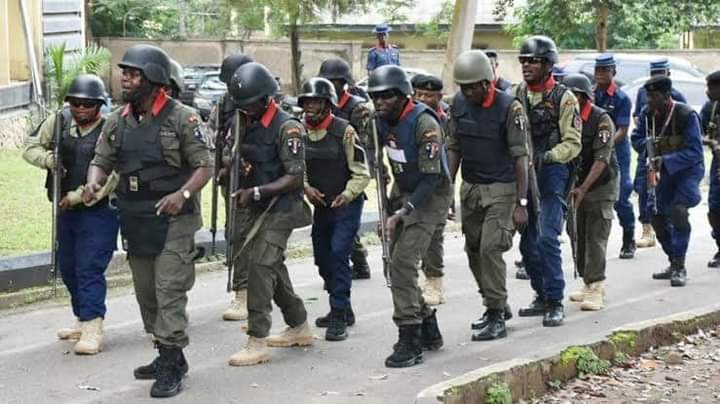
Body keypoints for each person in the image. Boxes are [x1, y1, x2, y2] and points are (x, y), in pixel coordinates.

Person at [84, 44, 212, 398]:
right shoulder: (118, 120)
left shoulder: (183, 118)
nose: (125, 78)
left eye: (133, 73)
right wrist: (96, 179)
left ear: (154, 79)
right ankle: (168, 353)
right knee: (146, 295)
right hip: (136, 218)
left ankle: (172, 364)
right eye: (124, 72)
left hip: (175, 218)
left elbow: (205, 166)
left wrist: (182, 195)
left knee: (168, 290)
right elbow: (102, 157)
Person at [224, 62, 314, 366]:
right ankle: (299, 323)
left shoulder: (288, 127)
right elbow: (234, 155)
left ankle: (257, 339)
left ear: (265, 99)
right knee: (272, 267)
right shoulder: (241, 120)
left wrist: (258, 192)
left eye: (249, 105)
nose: (244, 110)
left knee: (261, 266)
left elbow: (295, 176)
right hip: (255, 206)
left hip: (283, 207)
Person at [22, 74, 119, 355]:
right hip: (64, 210)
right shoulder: (60, 121)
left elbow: (113, 173)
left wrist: (78, 196)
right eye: (75, 103)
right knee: (68, 267)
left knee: (89, 267)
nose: (80, 109)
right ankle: (81, 317)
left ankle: (93, 326)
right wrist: (50, 160)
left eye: (87, 104)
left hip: (98, 210)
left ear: (99, 105)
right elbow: (29, 148)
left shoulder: (110, 127)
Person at [367, 65, 451, 367]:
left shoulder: (424, 123)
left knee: (403, 262)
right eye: (375, 97)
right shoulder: (378, 122)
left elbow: (431, 179)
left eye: (387, 97)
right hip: (402, 190)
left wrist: (403, 213)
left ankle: (410, 338)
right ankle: (427, 323)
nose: (380, 103)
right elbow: (375, 157)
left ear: (403, 96)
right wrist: (388, 207)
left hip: (430, 195)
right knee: (392, 263)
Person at [449, 50, 529, 340]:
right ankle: (494, 302)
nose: (467, 92)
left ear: (487, 83)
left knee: (490, 249)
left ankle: (496, 315)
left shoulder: (510, 107)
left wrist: (522, 202)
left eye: (472, 86)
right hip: (470, 188)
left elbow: (521, 157)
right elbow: (454, 146)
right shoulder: (458, 104)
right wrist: (448, 186)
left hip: (502, 188)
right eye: (463, 87)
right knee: (473, 250)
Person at [512, 35, 581, 327]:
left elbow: (573, 143)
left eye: (534, 61)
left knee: (547, 237)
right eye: (524, 60)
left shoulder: (565, 98)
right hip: (524, 173)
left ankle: (555, 301)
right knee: (527, 245)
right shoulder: (517, 94)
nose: (527, 65)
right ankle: (541, 295)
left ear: (548, 64)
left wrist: (548, 157)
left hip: (553, 174)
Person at [299, 77, 370, 341]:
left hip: (346, 205)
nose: (309, 107)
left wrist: (347, 194)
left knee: (339, 252)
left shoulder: (345, 131)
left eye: (315, 102)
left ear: (327, 104)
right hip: (322, 205)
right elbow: (297, 168)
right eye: (306, 102)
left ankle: (339, 312)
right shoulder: (300, 132)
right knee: (322, 256)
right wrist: (306, 188)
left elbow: (362, 173)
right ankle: (342, 305)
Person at [630, 76, 704, 287]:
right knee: (656, 216)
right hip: (661, 172)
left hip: (687, 171)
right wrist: (649, 145)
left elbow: (695, 152)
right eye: (648, 97)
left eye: (654, 96)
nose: (649, 101)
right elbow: (635, 139)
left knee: (679, 211)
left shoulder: (685, 115)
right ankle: (673, 259)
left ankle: (680, 265)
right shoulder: (647, 114)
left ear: (666, 96)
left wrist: (667, 159)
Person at [564, 73, 619, 311]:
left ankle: (595, 285)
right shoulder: (564, 117)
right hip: (575, 184)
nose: (571, 100)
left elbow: (602, 158)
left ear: (585, 97)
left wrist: (584, 188)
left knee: (596, 234)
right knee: (575, 230)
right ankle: (588, 279)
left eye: (576, 95)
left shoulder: (600, 119)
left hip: (600, 184)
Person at [318, 58, 375, 280]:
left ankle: (358, 263)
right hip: (328, 169)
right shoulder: (322, 104)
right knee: (335, 222)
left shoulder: (356, 108)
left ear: (344, 83)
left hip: (351, 170)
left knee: (344, 222)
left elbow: (365, 143)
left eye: (334, 81)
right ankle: (357, 262)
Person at [211, 53, 256, 322]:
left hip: (256, 180)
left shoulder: (260, 102)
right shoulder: (225, 105)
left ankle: (244, 292)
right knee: (236, 232)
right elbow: (215, 137)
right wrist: (218, 166)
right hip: (231, 179)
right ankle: (249, 287)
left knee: (247, 236)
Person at [632, 58, 688, 249]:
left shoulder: (678, 98)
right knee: (642, 189)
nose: (650, 99)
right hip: (649, 155)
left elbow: (683, 129)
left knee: (671, 202)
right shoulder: (643, 94)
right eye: (653, 74)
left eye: (660, 73)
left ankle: (672, 238)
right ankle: (647, 230)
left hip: (670, 157)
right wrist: (646, 147)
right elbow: (638, 125)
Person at [410, 73, 450, 306]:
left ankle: (434, 281)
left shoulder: (446, 118)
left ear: (439, 96)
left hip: (438, 182)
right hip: (413, 180)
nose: (423, 98)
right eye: (420, 94)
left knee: (434, 234)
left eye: (429, 95)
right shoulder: (410, 118)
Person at [593, 54, 635, 259]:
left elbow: (622, 130)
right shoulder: (590, 94)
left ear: (613, 72)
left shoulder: (621, 98)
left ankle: (629, 238)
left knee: (621, 197)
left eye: (605, 70)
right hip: (594, 153)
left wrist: (604, 144)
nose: (601, 74)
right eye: (598, 70)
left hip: (617, 152)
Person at [702, 71, 720, 268]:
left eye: (713, 87)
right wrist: (712, 142)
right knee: (715, 209)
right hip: (717, 164)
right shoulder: (711, 107)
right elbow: (697, 132)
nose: (709, 92)